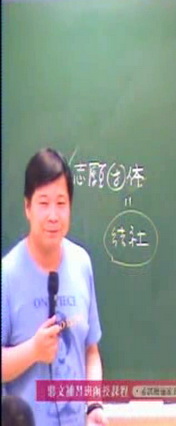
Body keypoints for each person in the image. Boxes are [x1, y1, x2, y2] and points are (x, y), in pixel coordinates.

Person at [1, 148, 108, 426]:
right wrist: (33, 350)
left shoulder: (82, 263)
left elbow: (90, 350)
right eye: (43, 203)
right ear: (27, 207)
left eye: (61, 203)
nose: (53, 215)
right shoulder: (7, 275)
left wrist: (93, 405)